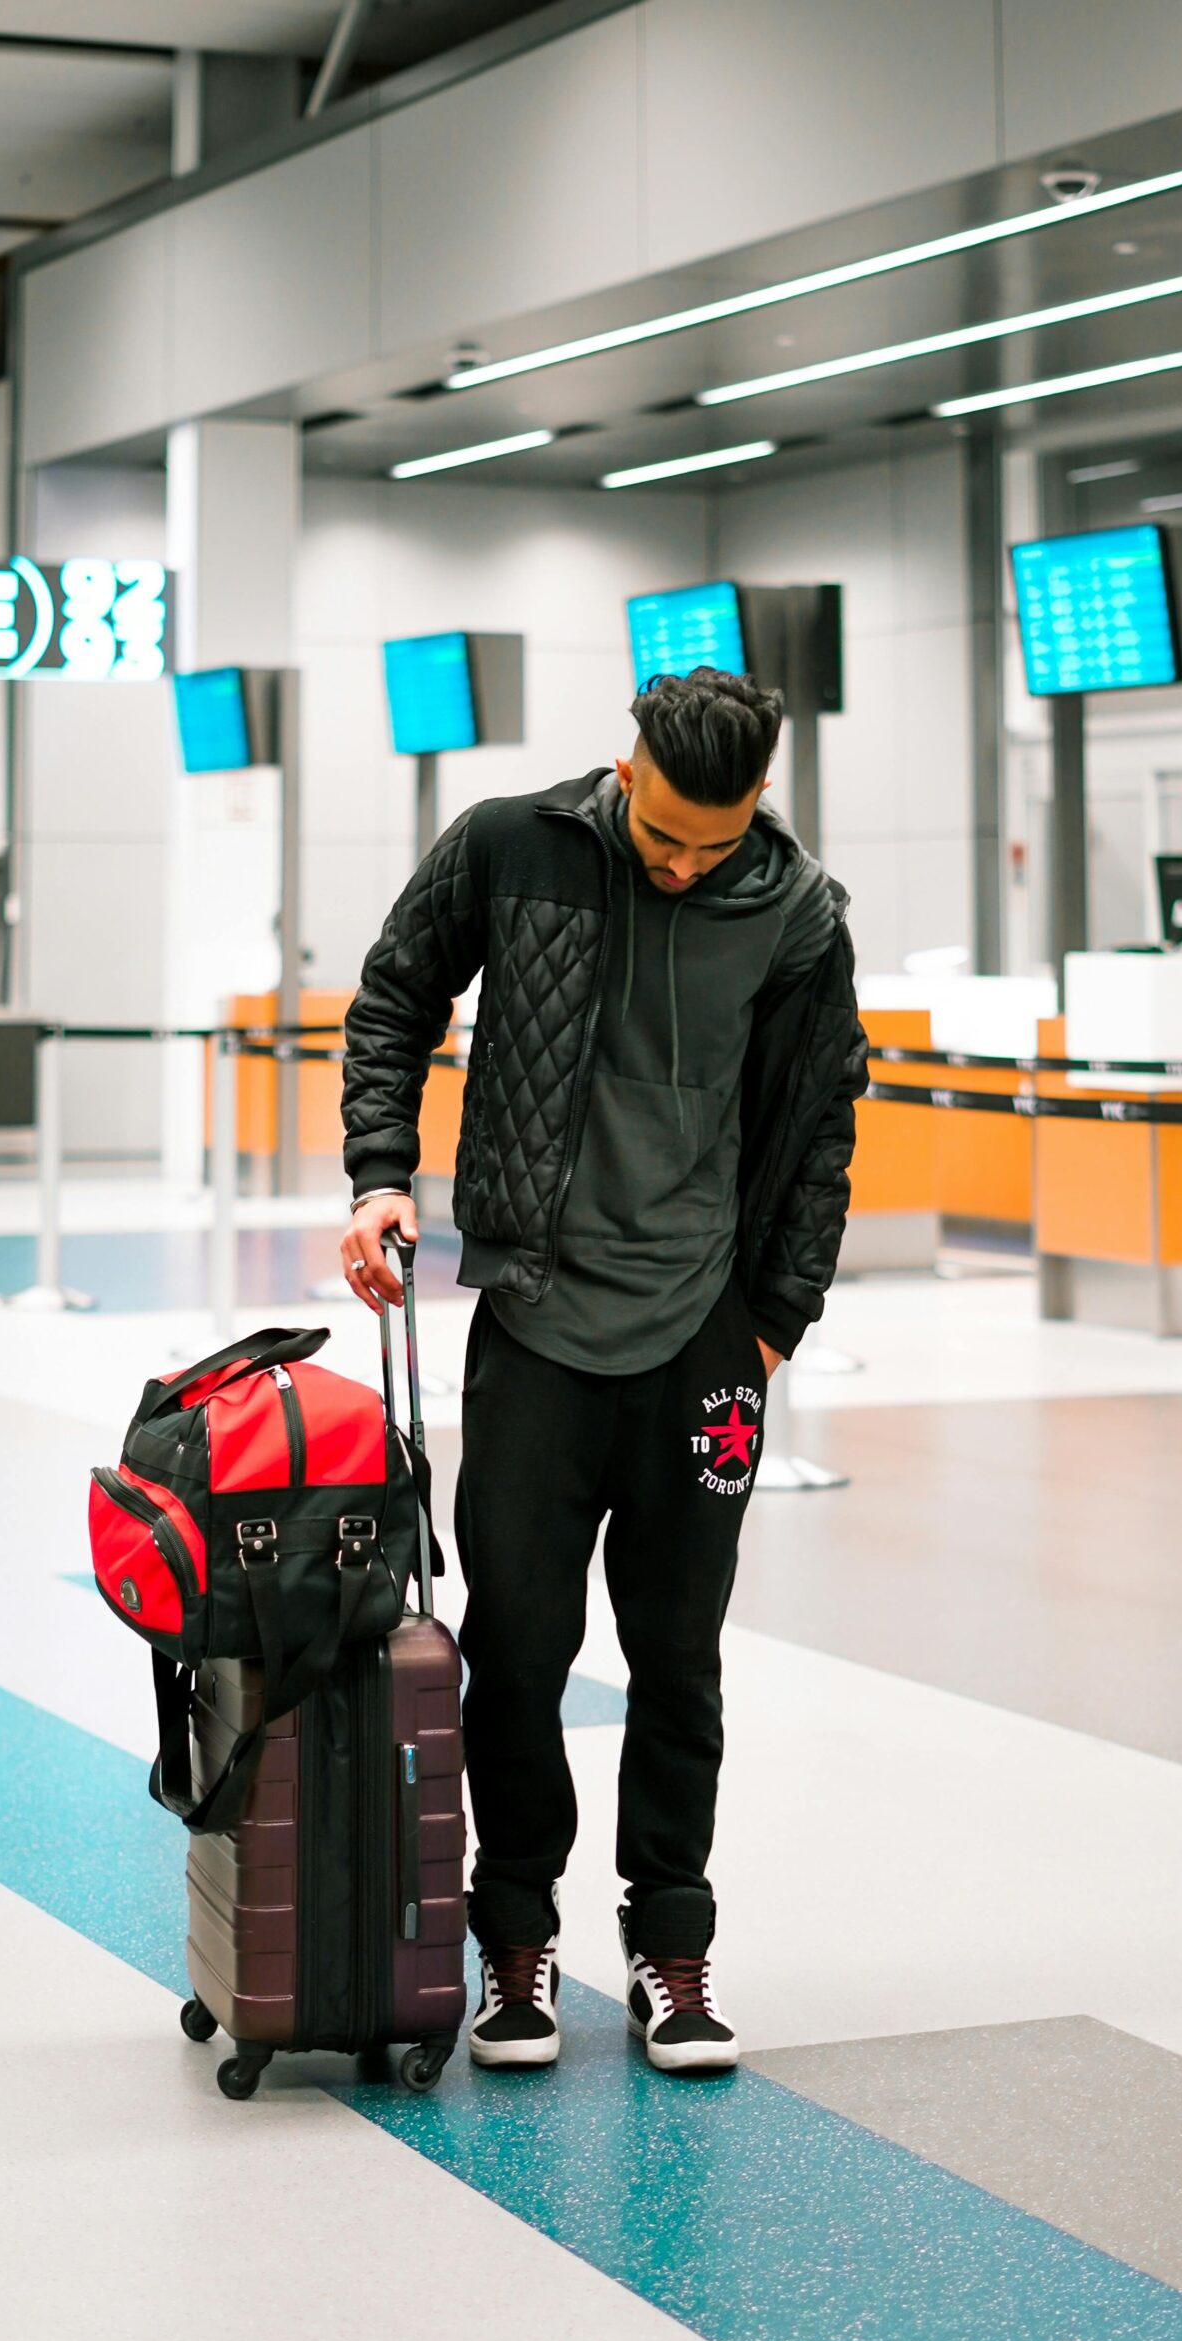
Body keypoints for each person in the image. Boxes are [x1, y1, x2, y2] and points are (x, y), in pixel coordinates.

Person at [338, 666, 866, 2074]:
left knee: (678, 1659)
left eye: (721, 836)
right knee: (517, 1652)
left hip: (706, 1340)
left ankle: (671, 1949)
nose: (689, 865)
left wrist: (773, 1325)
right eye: (665, 838)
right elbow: (395, 994)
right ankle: (515, 1940)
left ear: (758, 798)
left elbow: (822, 1128)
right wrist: (380, 1177)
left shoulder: (803, 919)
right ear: (625, 774)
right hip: (535, 1319)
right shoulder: (516, 845)